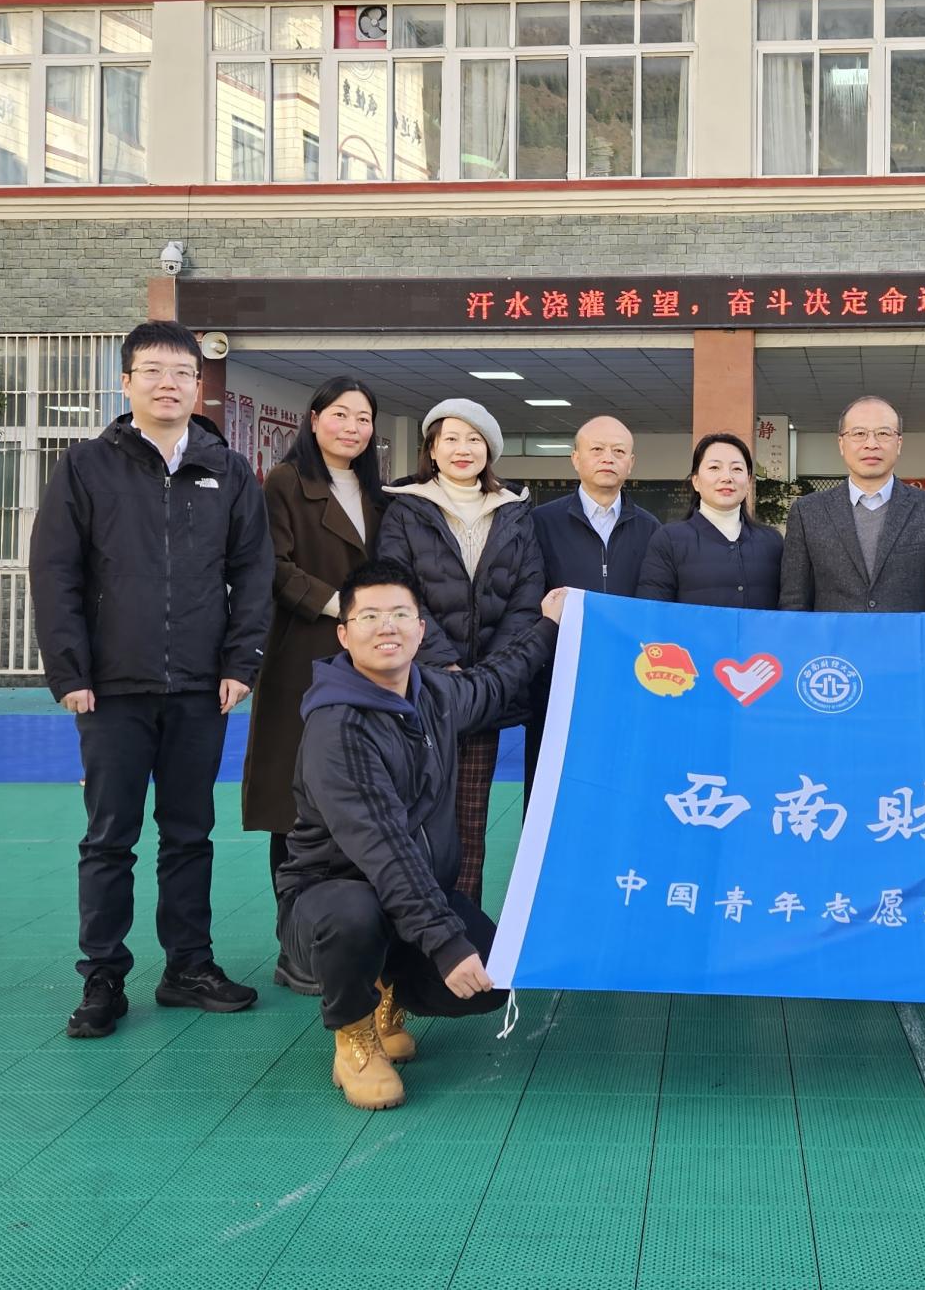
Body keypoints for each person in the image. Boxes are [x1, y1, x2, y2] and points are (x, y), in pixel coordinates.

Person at [28, 321, 274, 1039]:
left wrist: (241, 662)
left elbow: (252, 573)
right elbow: (55, 572)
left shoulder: (228, 470)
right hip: (111, 688)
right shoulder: (86, 466)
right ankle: (103, 976)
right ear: (126, 381)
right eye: (154, 370)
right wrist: (70, 669)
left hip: (202, 688)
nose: (169, 383)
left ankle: (187, 966)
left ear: (198, 384)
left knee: (190, 833)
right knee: (110, 837)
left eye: (182, 372)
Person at [276, 560, 569, 1109]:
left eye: (398, 614)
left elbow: (496, 680)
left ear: (420, 628)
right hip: (329, 904)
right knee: (354, 915)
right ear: (344, 634)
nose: (385, 627)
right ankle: (354, 1033)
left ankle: (388, 992)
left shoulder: (434, 693)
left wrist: (549, 624)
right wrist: (445, 942)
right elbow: (385, 850)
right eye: (368, 616)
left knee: (495, 976)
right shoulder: (337, 728)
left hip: (411, 898)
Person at [240, 377, 386, 995]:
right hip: (304, 659)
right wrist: (343, 608)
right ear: (315, 418)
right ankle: (295, 947)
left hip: (373, 664)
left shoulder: (381, 494)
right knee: (296, 809)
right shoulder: (284, 483)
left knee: (363, 802)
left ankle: (357, 942)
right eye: (341, 415)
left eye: (364, 418)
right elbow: (271, 566)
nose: (353, 427)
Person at [374, 398, 545, 904]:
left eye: (474, 439)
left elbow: (527, 596)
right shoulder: (405, 510)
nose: (462, 449)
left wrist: (489, 677)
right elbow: (399, 590)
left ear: (489, 451)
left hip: (486, 697)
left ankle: (463, 926)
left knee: (471, 821)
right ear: (431, 448)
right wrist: (443, 665)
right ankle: (414, 929)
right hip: (421, 690)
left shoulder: (514, 512)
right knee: (416, 815)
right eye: (450, 438)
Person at [523, 416, 660, 807]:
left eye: (618, 451)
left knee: (620, 784)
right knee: (552, 789)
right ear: (575, 458)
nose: (607, 458)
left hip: (627, 679)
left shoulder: (651, 529)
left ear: (631, 463)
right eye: (597, 449)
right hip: (557, 680)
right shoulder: (539, 523)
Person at [780, 396, 925, 613]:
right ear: (841, 444)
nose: (871, 444)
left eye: (883, 433)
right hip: (834, 636)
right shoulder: (807, 512)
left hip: (907, 636)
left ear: (899, 444)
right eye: (859, 433)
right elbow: (794, 601)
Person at [637, 432, 784, 608]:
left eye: (737, 469)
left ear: (749, 482)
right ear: (696, 481)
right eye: (714, 467)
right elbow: (652, 611)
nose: (727, 477)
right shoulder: (669, 540)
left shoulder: (772, 542)